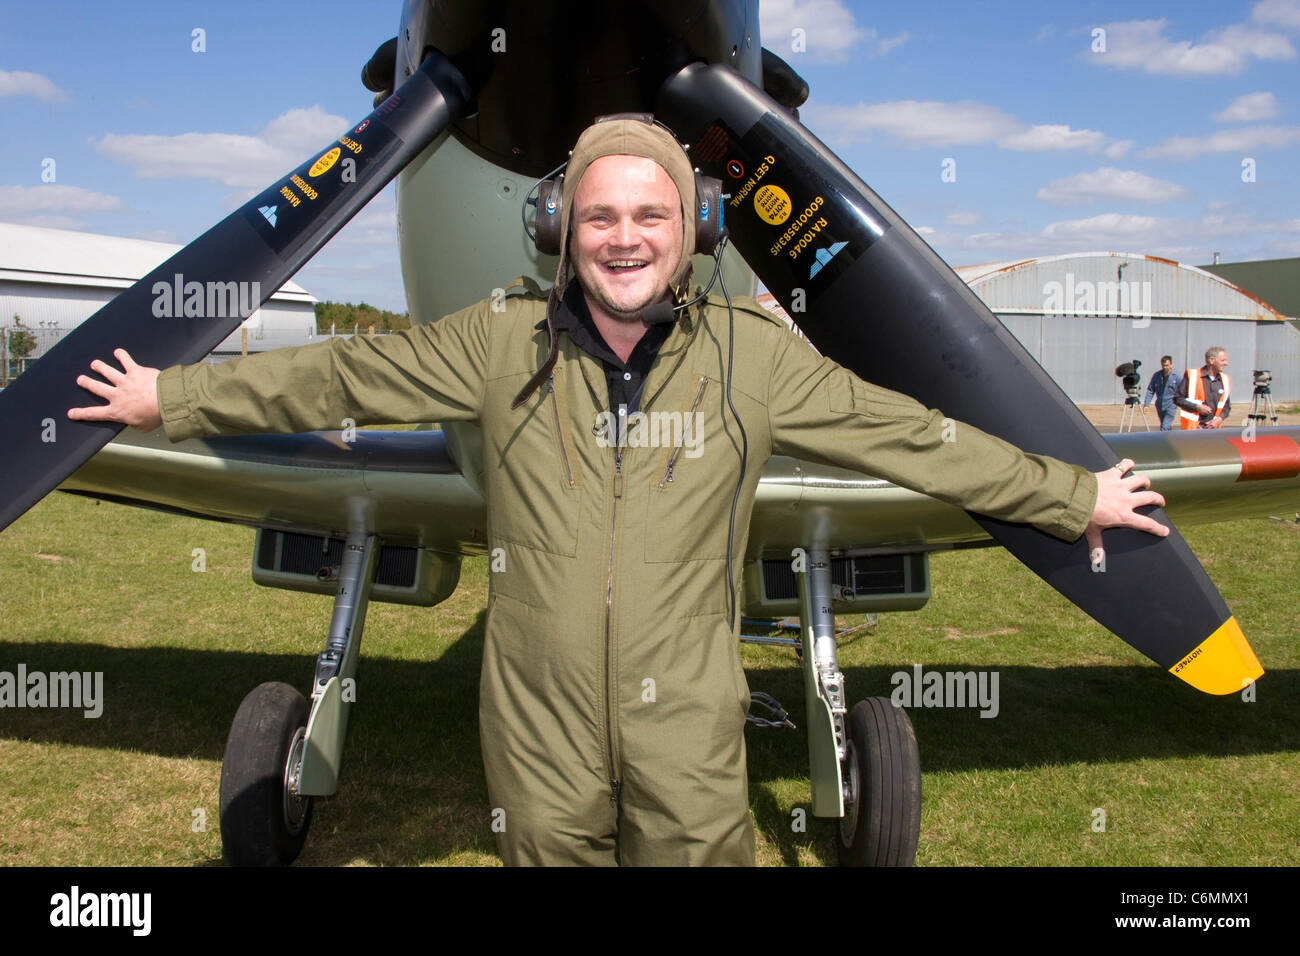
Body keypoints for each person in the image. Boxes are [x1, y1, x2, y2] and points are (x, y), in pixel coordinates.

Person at [67, 117, 1168, 866]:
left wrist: (1072, 494)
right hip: (534, 732)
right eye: (599, 218)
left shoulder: (755, 356)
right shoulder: (494, 343)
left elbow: (911, 436)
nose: (624, 238)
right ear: (560, 232)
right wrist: (173, 393)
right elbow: (340, 372)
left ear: (690, 230)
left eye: (650, 215)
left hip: (690, 726)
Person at [1175, 347, 1231, 429]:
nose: (1226, 363)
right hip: (1194, 429)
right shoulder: (1192, 375)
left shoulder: (1225, 379)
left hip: (1214, 429)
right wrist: (1197, 407)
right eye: (1222, 360)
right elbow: (1177, 398)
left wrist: (1219, 419)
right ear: (1212, 360)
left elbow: (1226, 405)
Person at [1143, 355, 1182, 431]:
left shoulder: (1176, 376)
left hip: (1171, 405)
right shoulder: (1157, 376)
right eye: (1163, 365)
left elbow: (1183, 389)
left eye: (1167, 365)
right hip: (1160, 405)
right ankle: (1170, 440)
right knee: (1165, 425)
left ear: (1171, 364)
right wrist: (1146, 404)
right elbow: (1150, 390)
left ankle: (1162, 441)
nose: (1165, 367)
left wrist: (1183, 403)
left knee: (1165, 426)